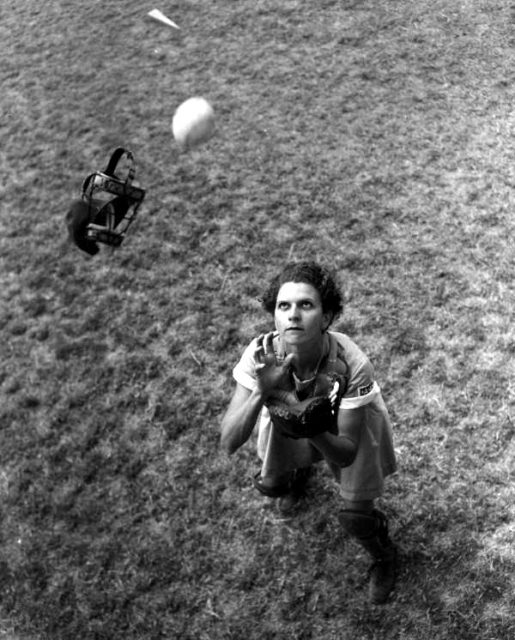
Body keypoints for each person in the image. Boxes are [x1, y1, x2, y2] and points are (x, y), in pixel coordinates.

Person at [220, 261, 398, 604]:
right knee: (271, 485)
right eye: (283, 306)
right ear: (274, 315)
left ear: (327, 317)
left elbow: (346, 451)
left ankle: (384, 554)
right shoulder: (260, 356)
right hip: (289, 417)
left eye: (306, 305)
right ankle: (299, 467)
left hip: (348, 423)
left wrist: (305, 423)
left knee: (356, 516)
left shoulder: (352, 363)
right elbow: (229, 440)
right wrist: (262, 390)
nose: (293, 315)